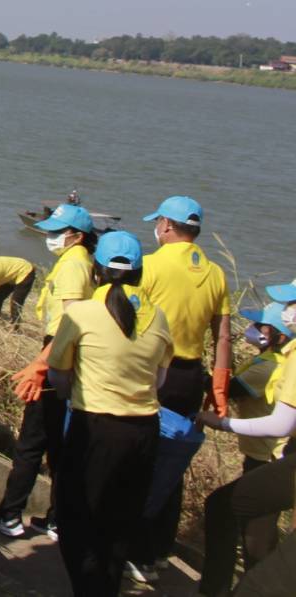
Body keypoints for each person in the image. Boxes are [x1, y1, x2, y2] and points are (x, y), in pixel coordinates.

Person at [46, 231, 173, 597]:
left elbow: (59, 374)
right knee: (119, 527)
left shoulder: (81, 313)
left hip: (95, 430)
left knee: (76, 521)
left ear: (97, 270)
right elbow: (159, 378)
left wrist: (76, 396)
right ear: (139, 273)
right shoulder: (159, 317)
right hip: (145, 432)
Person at [0, 201, 96, 538]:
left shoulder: (73, 266)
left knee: (31, 442)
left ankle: (10, 515)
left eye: (58, 233)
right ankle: (57, 517)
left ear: (77, 236)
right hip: (68, 362)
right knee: (58, 445)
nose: (52, 238)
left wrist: (40, 366)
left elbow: (68, 324)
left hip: (56, 358)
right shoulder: (81, 262)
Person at [130, 195, 231, 580]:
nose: (156, 229)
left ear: (167, 226)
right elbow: (222, 336)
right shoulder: (217, 273)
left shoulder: (150, 265)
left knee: (141, 462)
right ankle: (157, 550)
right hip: (192, 379)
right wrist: (218, 384)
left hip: (155, 374)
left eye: (158, 223)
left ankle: (134, 552)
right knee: (172, 468)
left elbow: (132, 322)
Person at [196, 286, 296, 596]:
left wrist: (222, 422)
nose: (287, 310)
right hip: (281, 456)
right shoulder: (278, 357)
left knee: (256, 538)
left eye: (291, 303)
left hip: (275, 455)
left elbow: (283, 422)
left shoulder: (281, 361)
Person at [226, 302, 292, 473]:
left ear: (281, 336)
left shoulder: (268, 367)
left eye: (261, 326)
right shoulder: (270, 359)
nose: (252, 327)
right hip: (262, 449)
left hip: (267, 455)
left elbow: (229, 389)